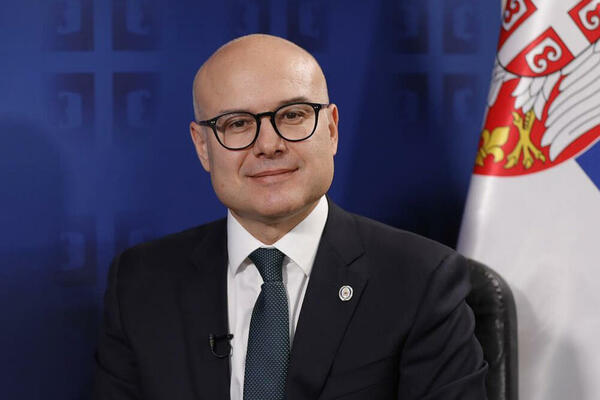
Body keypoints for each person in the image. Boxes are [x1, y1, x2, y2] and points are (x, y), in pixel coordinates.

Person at [93, 34, 487, 400]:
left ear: (331, 129)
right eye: (237, 124)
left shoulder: (420, 280)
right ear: (202, 147)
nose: (269, 145)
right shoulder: (140, 284)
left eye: (293, 115)